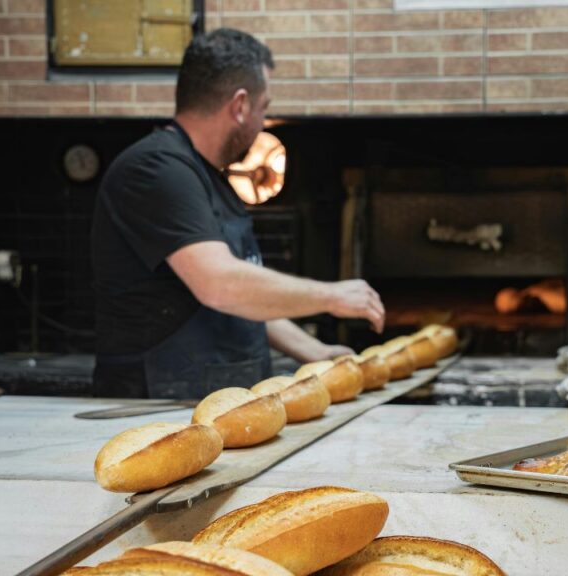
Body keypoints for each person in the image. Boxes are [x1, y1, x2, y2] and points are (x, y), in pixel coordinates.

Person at [90, 28, 384, 399]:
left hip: (219, 396)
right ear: (240, 105)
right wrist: (331, 296)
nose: (263, 121)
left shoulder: (211, 177)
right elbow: (221, 284)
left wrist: (316, 352)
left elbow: (247, 295)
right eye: (264, 108)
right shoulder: (155, 170)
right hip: (158, 406)